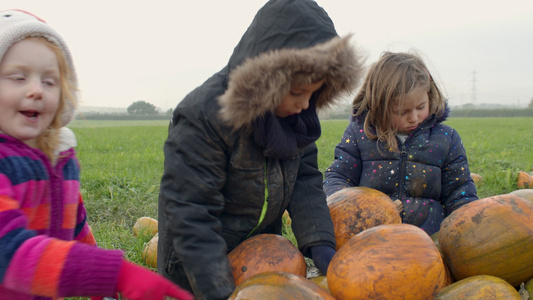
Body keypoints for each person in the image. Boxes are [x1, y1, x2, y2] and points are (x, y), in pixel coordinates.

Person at [157, 0, 365, 299]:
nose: (306, 104)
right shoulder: (201, 117)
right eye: (297, 92)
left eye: (314, 93)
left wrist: (321, 245)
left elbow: (304, 180)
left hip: (261, 256)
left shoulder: (295, 117)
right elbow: (192, 216)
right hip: (198, 269)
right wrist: (218, 292)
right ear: (267, 81)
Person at [0, 9, 192, 300]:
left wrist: (103, 286)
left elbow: (75, 226)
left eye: (50, 81)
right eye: (18, 77)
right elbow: (10, 251)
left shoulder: (61, 159)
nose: (37, 90)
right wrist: (110, 272)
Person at [323, 51, 478, 235]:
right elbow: (339, 176)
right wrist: (343, 203)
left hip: (428, 241)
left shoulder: (446, 139)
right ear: (380, 107)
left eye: (421, 107)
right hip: (371, 239)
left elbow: (459, 191)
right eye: (402, 111)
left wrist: (470, 226)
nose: (414, 118)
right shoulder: (361, 135)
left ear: (430, 95)